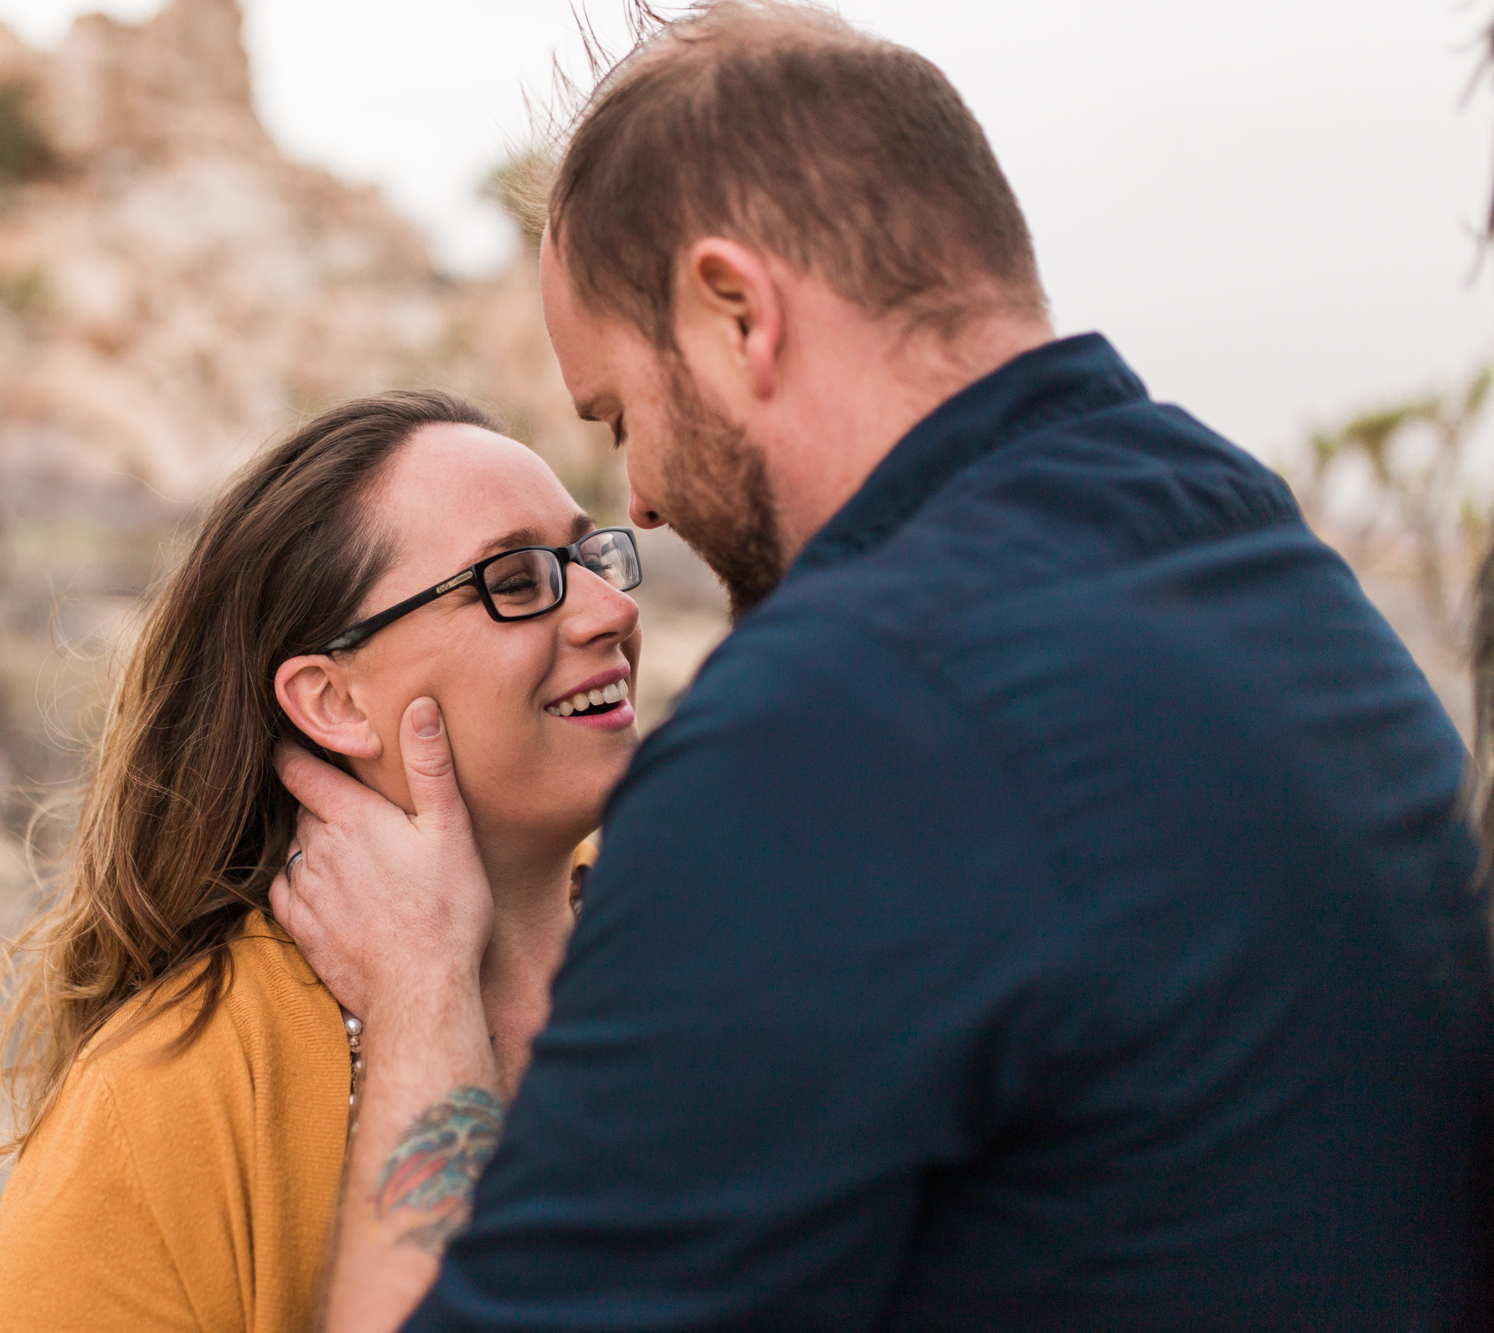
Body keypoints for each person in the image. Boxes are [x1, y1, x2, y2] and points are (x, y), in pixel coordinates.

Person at [269, 5, 1494, 1330]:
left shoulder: (840, 725)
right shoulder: (1256, 559)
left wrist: (417, 994)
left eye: (622, 412)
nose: (648, 501)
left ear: (737, 312)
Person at [0, 390, 645, 1331]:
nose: (611, 610)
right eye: (518, 581)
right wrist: (424, 994)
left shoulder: (714, 950)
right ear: (334, 701)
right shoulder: (172, 1096)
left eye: (592, 556)